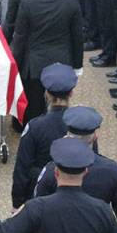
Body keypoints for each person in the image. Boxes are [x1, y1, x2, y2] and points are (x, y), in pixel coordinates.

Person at [33, 106, 117, 233]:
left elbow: (36, 213)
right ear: (95, 137)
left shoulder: (52, 171)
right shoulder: (113, 170)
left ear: (67, 136)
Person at [12, 0, 84, 124]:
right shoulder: (71, 1)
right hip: (61, 62)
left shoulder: (27, 2)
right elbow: (77, 36)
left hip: (34, 65)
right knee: (60, 107)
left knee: (35, 109)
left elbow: (20, 38)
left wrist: (16, 63)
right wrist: (77, 66)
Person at [11, 62, 78, 205]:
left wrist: (17, 203)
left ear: (46, 93)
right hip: (73, 190)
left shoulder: (35, 126)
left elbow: (22, 168)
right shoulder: (79, 124)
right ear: (71, 92)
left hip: (38, 194)